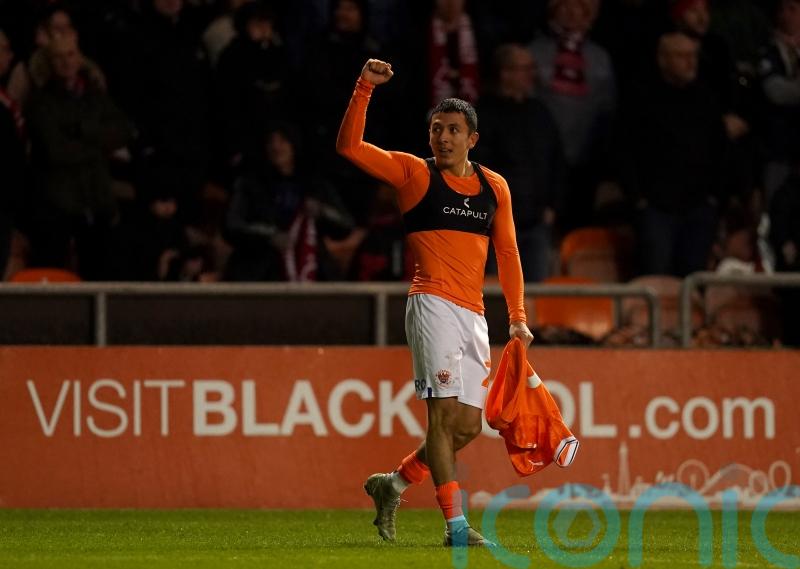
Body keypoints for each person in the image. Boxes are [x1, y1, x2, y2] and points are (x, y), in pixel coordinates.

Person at [336, 59, 533, 546]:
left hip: (473, 315)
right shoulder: (413, 174)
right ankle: (456, 527)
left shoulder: (494, 187)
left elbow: (507, 252)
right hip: (432, 306)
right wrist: (364, 88)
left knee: (466, 426)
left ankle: (394, 483)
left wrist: (518, 318)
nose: (442, 138)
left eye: (453, 130)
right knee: (443, 420)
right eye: (436, 129)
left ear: (473, 140)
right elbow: (349, 147)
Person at [475, 43, 565, 282]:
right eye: (524, 69)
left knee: (536, 292)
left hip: (537, 222)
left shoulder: (540, 113)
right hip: (498, 223)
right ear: (505, 73)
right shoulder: (482, 115)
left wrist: (552, 206)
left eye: (531, 68)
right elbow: (476, 167)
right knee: (499, 294)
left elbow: (557, 160)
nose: (531, 75)